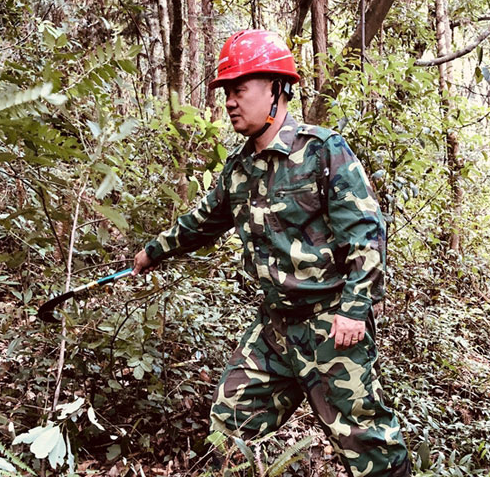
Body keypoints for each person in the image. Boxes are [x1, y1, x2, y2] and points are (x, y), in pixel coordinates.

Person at [133, 29, 411, 476]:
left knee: (369, 447)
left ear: (277, 89)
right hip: (275, 328)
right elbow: (201, 223)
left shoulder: (322, 151)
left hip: (332, 327)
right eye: (226, 92)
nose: (229, 102)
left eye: (239, 90)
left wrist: (355, 311)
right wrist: (152, 252)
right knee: (229, 424)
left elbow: (366, 232)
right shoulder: (239, 168)